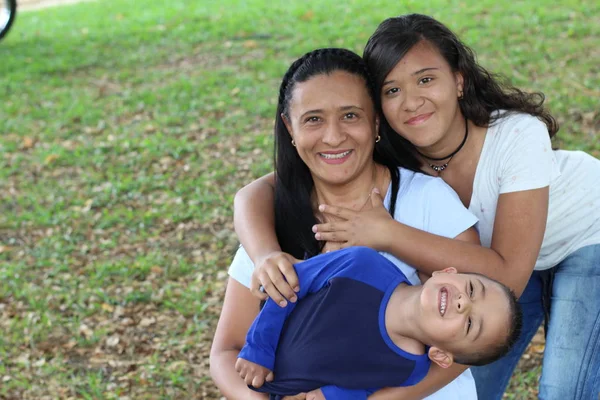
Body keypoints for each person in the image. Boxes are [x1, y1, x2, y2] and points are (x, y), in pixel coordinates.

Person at [235, 13, 600, 400]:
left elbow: (508, 277)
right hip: (482, 274)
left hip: (583, 237)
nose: (411, 102)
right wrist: (264, 254)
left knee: (566, 389)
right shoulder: (393, 146)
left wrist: (387, 235)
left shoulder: (517, 135)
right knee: (476, 377)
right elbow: (257, 193)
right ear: (378, 109)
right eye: (392, 90)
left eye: (426, 79)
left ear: (459, 79)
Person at [211, 47, 484, 400]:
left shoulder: (426, 200)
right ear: (289, 127)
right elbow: (226, 350)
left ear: (375, 123)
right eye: (313, 119)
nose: (333, 136)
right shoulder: (271, 224)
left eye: (350, 115)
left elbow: (478, 329)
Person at [235, 246, 522, 400]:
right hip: (257, 365)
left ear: (442, 355)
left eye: (471, 324)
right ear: (446, 271)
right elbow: (285, 288)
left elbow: (362, 386)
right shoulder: (362, 264)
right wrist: (258, 348)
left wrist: (329, 396)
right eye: (472, 289)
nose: (463, 303)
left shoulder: (411, 369)